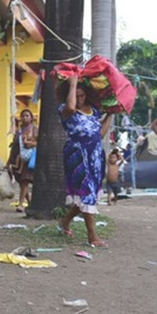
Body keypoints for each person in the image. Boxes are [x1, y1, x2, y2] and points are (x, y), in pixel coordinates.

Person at [57, 76, 113, 248]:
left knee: (89, 193)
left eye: (82, 95)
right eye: (76, 95)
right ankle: (92, 236)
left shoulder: (94, 111)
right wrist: (73, 83)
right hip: (77, 154)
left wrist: (110, 113)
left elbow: (100, 134)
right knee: (86, 191)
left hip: (95, 155)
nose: (79, 99)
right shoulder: (66, 110)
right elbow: (72, 106)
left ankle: (65, 221)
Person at [5, 109, 38, 212]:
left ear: (31, 118)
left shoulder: (35, 129)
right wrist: (8, 162)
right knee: (21, 182)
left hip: (28, 160)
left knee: (24, 181)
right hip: (17, 160)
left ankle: (20, 204)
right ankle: (31, 203)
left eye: (27, 115)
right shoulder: (19, 131)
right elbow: (14, 146)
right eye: (23, 116)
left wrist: (30, 143)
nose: (24, 117)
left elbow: (39, 142)